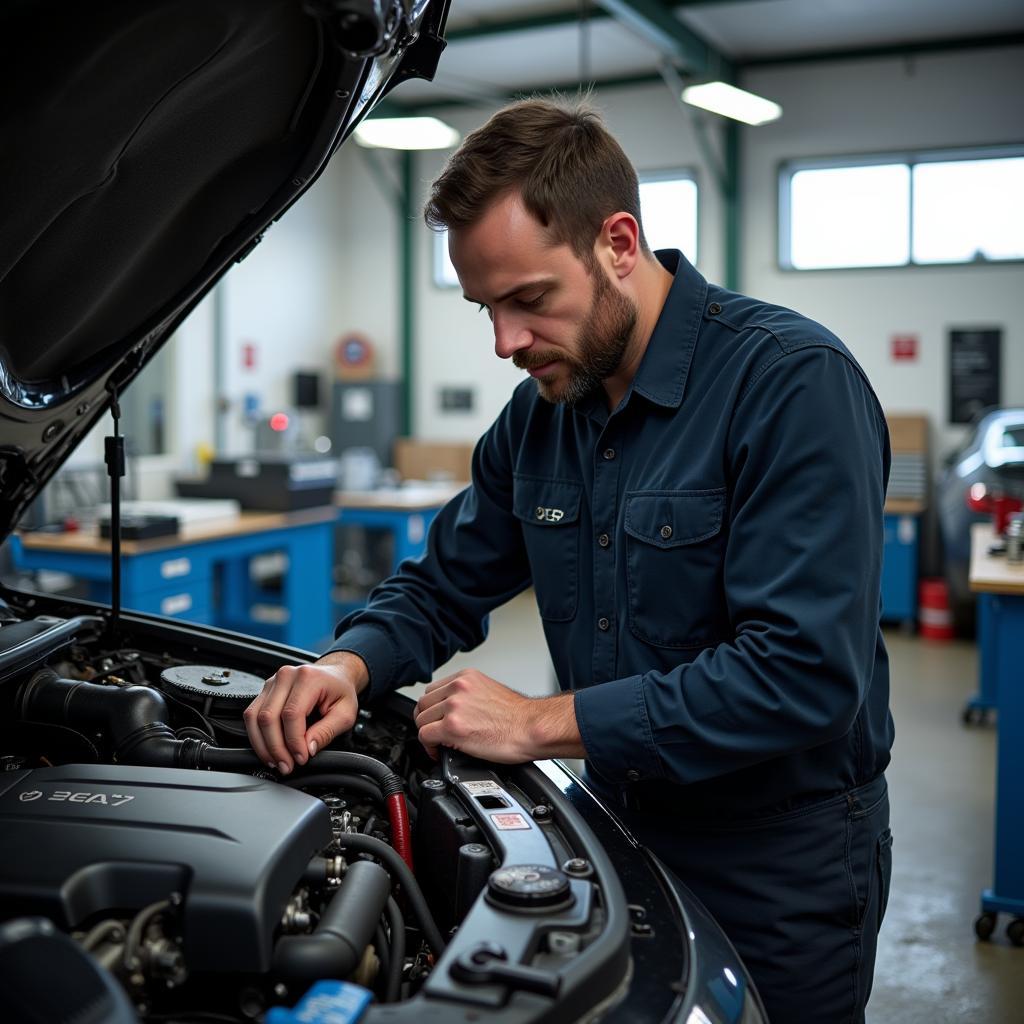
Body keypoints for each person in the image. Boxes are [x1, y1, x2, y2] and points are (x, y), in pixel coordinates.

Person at [244, 98, 894, 1023]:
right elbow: (443, 583)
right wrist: (348, 663)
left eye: (529, 299)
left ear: (618, 243)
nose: (506, 342)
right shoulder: (545, 414)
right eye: (485, 307)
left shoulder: (789, 386)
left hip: (779, 862)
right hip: (617, 829)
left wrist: (541, 723)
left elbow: (801, 674)